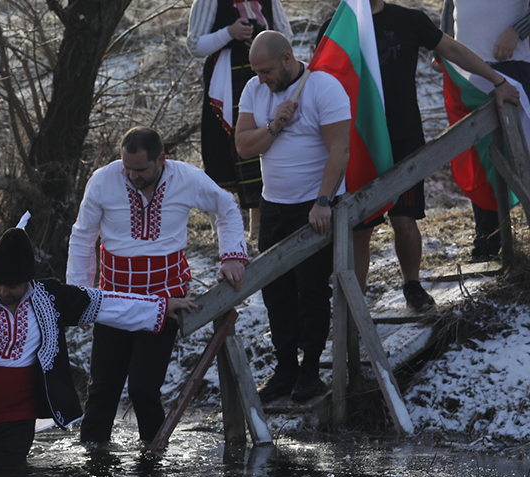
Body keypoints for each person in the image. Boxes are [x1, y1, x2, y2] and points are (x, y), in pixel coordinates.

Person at [0, 227, 197, 467]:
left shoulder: (50, 298)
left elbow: (106, 305)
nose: (3, 292)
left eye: (12, 286)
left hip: (17, 423)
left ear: (28, 280)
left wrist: (160, 307)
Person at [315, 1, 518, 311]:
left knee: (405, 219)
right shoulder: (338, 24)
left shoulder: (409, 20)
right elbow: (319, 76)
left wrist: (498, 80)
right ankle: (353, 311)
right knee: (360, 228)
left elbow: (454, 51)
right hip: (357, 141)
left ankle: (412, 285)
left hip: (404, 138)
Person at [66, 126, 249, 444]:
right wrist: (79, 298)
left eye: (140, 169)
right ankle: (94, 464)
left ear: (161, 159)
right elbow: (83, 237)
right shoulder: (102, 181)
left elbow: (227, 207)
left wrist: (232, 255)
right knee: (102, 390)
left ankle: (154, 462)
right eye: (127, 168)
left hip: (166, 300)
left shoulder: (187, 179)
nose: (132, 176)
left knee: (143, 389)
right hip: (115, 300)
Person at [235, 31, 350, 403]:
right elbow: (243, 146)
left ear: (287, 58)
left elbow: (339, 149)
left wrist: (323, 201)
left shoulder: (322, 87)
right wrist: (275, 124)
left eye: (266, 70)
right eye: (256, 71)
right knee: (275, 289)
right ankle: (285, 368)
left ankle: (311, 370)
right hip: (274, 205)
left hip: (312, 204)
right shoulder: (255, 90)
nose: (261, 78)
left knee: (312, 287)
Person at [187, 0, 291, 225]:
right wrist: (229, 33)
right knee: (225, 152)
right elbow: (195, 45)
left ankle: (261, 228)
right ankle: (228, 234)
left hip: (268, 81)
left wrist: (265, 45)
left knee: (269, 141)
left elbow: (285, 35)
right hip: (227, 85)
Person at [441, 0, 530, 263]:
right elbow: (450, 7)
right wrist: (443, 47)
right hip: (467, 71)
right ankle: (488, 238)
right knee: (480, 154)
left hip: (513, 63)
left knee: (524, 153)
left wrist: (517, 31)